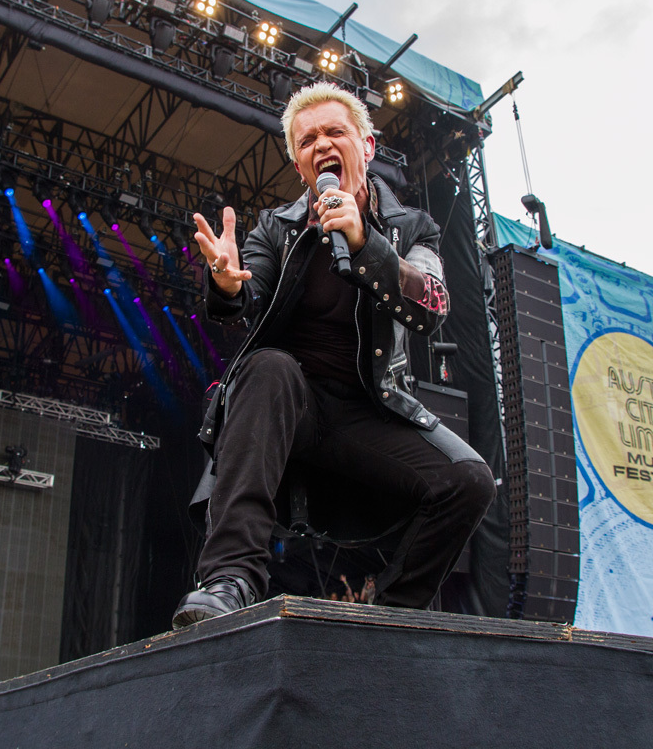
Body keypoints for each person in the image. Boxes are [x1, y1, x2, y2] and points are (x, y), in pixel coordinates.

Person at [172, 82, 496, 628]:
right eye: (307, 141)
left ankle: (391, 617)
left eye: (334, 132)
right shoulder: (276, 227)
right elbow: (244, 299)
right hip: (289, 405)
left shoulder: (411, 227)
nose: (321, 145)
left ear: (366, 147)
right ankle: (229, 581)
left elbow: (431, 303)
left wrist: (367, 242)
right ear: (299, 165)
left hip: (368, 413)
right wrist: (225, 283)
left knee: (470, 482)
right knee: (267, 365)